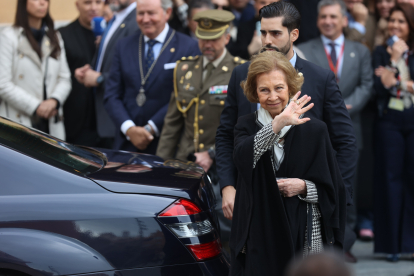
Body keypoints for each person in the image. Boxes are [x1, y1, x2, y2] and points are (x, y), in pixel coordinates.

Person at [216, 1, 357, 223]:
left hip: (304, 203)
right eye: (262, 33)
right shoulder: (241, 74)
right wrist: (227, 186)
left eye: (275, 33)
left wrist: (333, 194)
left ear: (294, 34)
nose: (267, 40)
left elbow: (345, 142)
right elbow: (226, 134)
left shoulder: (320, 78)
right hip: (253, 198)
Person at [230, 50, 346, 275]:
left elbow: (335, 190)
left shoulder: (315, 130)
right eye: (264, 90)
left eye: (279, 88)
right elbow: (243, 158)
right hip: (260, 227)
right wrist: (276, 126)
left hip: (303, 228)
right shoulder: (244, 126)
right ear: (255, 93)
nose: (272, 96)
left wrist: (304, 187)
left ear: (291, 87)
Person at [156, 9, 243, 251]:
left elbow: (242, 126)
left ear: (227, 37)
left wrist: (211, 153)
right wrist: (162, 165)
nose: (207, 44)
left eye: (214, 38)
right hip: (185, 161)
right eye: (203, 38)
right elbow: (172, 123)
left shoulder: (240, 71)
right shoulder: (185, 70)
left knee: (222, 230)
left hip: (221, 165)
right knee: (185, 231)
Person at [297, 0, 373, 262]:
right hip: (316, 130)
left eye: (333, 16)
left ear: (343, 20)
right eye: (323, 16)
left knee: (347, 185)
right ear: (317, 20)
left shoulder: (360, 50)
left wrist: (347, 106)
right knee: (319, 186)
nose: (327, 21)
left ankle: (346, 241)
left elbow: (367, 84)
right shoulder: (303, 50)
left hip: (351, 128)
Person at [103, 0, 200, 154]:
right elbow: (111, 94)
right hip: (127, 143)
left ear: (167, 13)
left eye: (151, 13)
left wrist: (150, 128)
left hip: (168, 144)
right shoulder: (124, 46)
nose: (145, 19)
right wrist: (129, 129)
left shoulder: (188, 47)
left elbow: (185, 96)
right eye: (141, 13)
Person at [372, 3, 414, 262]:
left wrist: (397, 77)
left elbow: (390, 81)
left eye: (402, 21)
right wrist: (395, 61)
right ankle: (392, 246)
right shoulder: (380, 52)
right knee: (389, 180)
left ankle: (411, 242)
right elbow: (380, 86)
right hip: (388, 122)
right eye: (393, 21)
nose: (395, 26)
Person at [0, 0, 71, 140]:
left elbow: (65, 78)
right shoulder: (9, 36)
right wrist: (36, 106)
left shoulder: (54, 36)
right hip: (20, 119)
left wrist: (54, 100)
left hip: (51, 120)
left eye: (45, 0)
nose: (42, 3)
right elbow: (3, 84)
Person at [75, 0, 138, 149]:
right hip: (101, 117)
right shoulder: (115, 17)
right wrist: (89, 70)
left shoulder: (137, 20)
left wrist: (100, 78)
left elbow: (135, 73)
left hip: (119, 118)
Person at [59, 0, 104, 146]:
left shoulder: (112, 33)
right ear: (77, 5)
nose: (94, 8)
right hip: (77, 123)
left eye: (98, 2)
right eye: (87, 3)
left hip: (107, 121)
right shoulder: (63, 34)